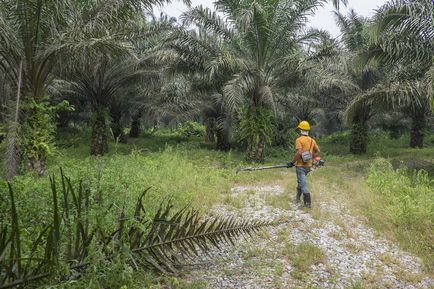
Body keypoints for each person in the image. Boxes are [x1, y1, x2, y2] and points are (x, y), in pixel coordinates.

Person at [287, 121, 320, 208]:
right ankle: (297, 198)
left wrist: (292, 162)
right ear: (308, 130)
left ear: (300, 130)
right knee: (301, 182)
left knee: (303, 184)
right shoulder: (312, 140)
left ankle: (307, 204)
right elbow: (318, 151)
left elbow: (299, 153)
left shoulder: (299, 140)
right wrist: (310, 157)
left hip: (300, 166)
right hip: (308, 166)